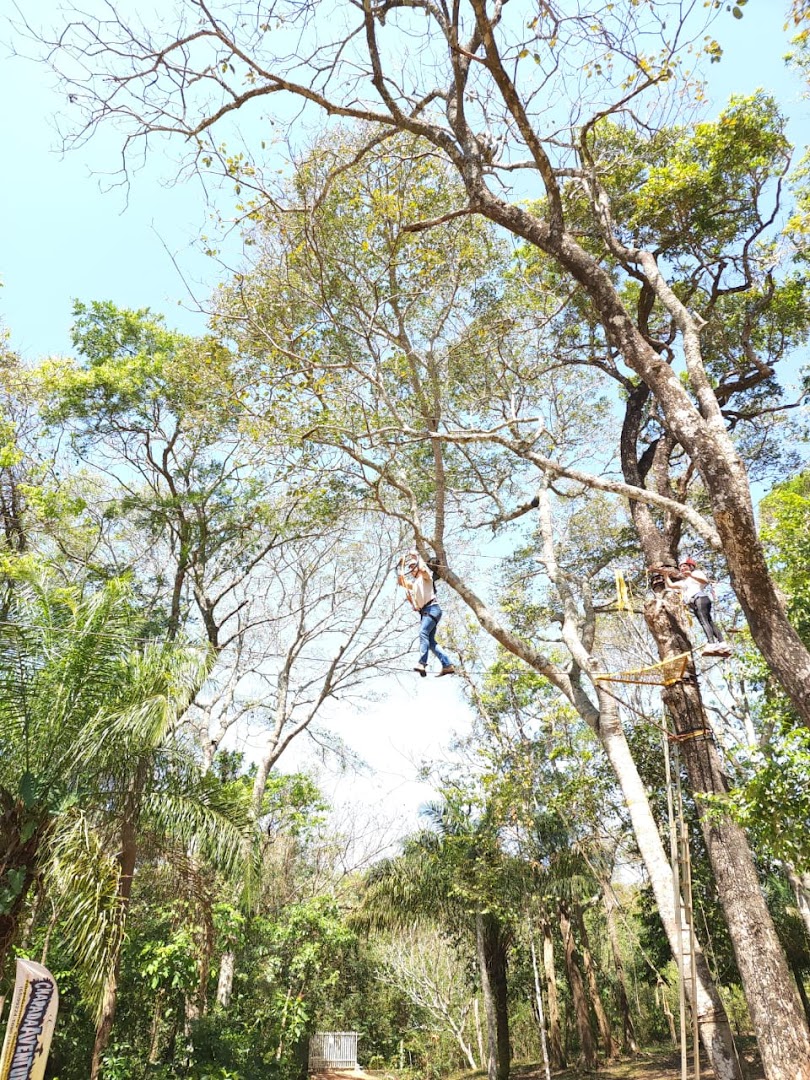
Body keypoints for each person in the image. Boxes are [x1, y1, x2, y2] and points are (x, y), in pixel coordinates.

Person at [397, 550, 456, 677]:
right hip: (426, 612)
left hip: (432, 609)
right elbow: (401, 581)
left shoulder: (426, 577)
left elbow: (423, 569)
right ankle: (447, 665)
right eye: (410, 568)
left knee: (423, 633)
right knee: (430, 641)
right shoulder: (414, 584)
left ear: (417, 566)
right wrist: (401, 565)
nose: (411, 569)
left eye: (413, 567)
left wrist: (416, 556)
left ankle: (422, 663)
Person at [660, 558, 731, 655]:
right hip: (695, 603)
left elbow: (704, 581)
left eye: (685, 566)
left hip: (700, 598)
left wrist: (691, 575)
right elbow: (671, 585)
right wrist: (665, 575)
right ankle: (722, 643)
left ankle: (711, 644)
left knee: (704, 621)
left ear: (691, 567)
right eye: (681, 567)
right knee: (709, 622)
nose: (682, 568)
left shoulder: (696, 574)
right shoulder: (684, 582)